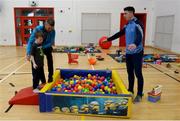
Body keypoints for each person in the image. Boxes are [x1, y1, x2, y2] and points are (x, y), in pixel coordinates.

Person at [103, 6, 144, 103]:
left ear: (131, 13)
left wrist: (135, 43)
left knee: (138, 73)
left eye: (125, 13)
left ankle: (139, 94)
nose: (124, 15)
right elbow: (119, 33)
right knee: (130, 72)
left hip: (137, 53)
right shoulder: (127, 25)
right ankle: (130, 90)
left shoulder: (138, 24)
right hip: (129, 53)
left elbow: (140, 35)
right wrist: (108, 39)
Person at [27, 18, 55, 83]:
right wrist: (28, 53)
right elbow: (30, 41)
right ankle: (39, 81)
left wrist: (42, 47)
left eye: (51, 28)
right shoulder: (38, 29)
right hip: (37, 47)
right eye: (49, 28)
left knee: (50, 59)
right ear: (45, 24)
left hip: (45, 47)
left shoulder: (53, 31)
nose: (50, 30)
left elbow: (50, 42)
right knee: (37, 62)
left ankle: (50, 76)